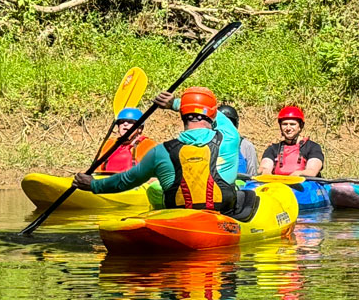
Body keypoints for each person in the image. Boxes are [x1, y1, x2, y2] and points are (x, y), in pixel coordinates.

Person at [73, 87, 254, 217]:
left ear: (182, 115)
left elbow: (126, 180)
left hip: (178, 220)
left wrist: (94, 185)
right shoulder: (229, 139)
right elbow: (222, 120)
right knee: (248, 196)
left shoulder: (160, 152)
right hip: (222, 216)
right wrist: (174, 103)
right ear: (213, 115)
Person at [260, 105, 325, 177]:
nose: (288, 128)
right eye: (285, 124)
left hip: (304, 185)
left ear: (300, 126)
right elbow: (264, 167)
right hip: (278, 185)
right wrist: (265, 171)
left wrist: (297, 174)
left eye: (292, 124)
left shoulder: (312, 147)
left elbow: (312, 171)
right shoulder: (273, 149)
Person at [100, 107, 158, 172]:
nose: (125, 124)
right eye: (121, 122)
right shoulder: (109, 144)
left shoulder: (148, 145)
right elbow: (98, 170)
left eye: (130, 122)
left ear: (140, 128)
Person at [218, 103, 258, 177]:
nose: (225, 128)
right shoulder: (210, 144)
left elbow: (253, 175)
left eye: (230, 124)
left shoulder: (246, 146)